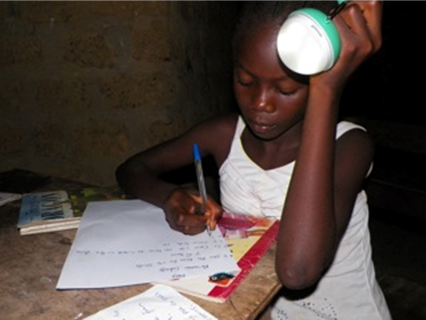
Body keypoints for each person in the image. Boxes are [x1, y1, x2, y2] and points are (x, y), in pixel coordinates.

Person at [116, 1, 391, 319]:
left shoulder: (350, 145)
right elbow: (130, 170)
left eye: (286, 90)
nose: (260, 103)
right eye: (245, 82)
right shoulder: (224, 134)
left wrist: (327, 89)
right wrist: (169, 197)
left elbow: (297, 272)